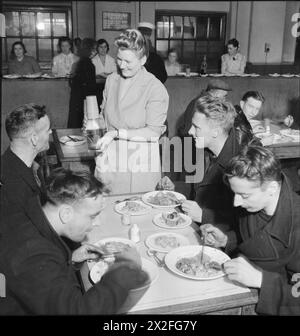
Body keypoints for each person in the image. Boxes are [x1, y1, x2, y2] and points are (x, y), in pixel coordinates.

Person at [0, 168, 148, 315]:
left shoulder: (28, 218)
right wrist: (126, 268)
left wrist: (69, 260)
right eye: (92, 216)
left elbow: (42, 284)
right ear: (66, 213)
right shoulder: (33, 256)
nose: (97, 223)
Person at [200, 145, 300, 315]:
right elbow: (251, 239)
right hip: (245, 291)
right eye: (235, 194)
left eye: (244, 196)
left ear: (272, 188)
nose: (236, 203)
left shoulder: (296, 226)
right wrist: (226, 240)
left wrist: (261, 280)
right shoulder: (254, 205)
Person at [94, 29, 169, 194]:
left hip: (139, 164)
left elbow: (153, 132)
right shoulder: (111, 80)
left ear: (143, 60)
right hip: (111, 161)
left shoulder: (155, 88)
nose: (121, 65)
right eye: (119, 59)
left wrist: (116, 134)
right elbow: (103, 117)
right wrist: (94, 124)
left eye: (128, 61)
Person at [180, 95, 243, 230]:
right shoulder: (206, 151)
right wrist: (173, 188)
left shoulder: (238, 167)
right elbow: (198, 191)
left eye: (196, 127)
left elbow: (241, 223)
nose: (190, 132)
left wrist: (203, 216)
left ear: (215, 132)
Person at [0, 104, 52, 219]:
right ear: (34, 139)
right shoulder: (12, 187)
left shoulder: (30, 165)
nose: (50, 133)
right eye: (48, 130)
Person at [68, 38, 97, 128]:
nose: (95, 52)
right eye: (94, 49)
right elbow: (90, 86)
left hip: (77, 98)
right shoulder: (89, 64)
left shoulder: (79, 62)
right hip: (83, 99)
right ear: (89, 50)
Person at [92, 38, 117, 106]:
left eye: (105, 47)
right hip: (97, 88)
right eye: (101, 47)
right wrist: (105, 74)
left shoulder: (111, 60)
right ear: (97, 48)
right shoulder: (93, 60)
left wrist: (102, 74)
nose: (103, 49)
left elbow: (114, 73)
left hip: (110, 87)